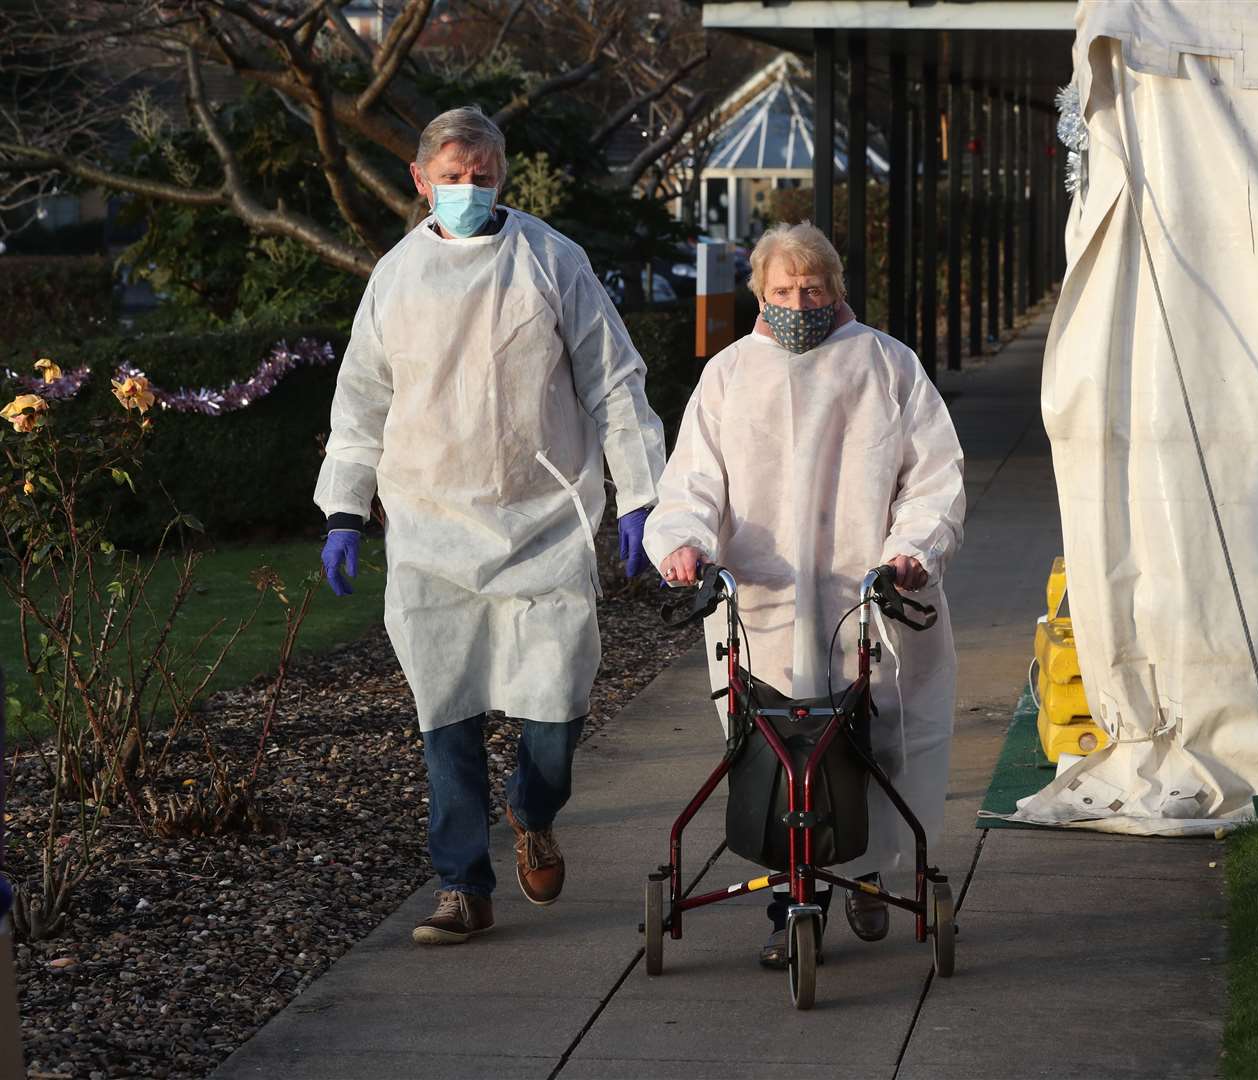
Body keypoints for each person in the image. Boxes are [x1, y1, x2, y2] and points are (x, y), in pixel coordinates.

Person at [314, 106, 664, 946]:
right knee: (448, 716)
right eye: (453, 174)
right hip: (431, 526)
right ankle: (461, 886)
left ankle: (532, 808)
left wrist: (640, 491)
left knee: (556, 713)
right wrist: (343, 510)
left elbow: (613, 381)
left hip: (541, 520)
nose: (467, 189)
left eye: (482, 175)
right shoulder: (394, 278)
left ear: (502, 175)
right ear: (420, 179)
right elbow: (361, 403)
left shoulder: (552, 260)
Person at [643, 222, 966, 968]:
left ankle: (865, 871)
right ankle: (795, 899)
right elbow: (692, 481)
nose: (798, 302)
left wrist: (912, 553)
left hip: (867, 598)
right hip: (763, 605)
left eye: (811, 288)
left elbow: (934, 478)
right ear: (759, 293)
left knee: (876, 743)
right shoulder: (729, 375)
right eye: (782, 290)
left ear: (837, 287)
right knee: (778, 753)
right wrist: (685, 544)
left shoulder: (887, 366)